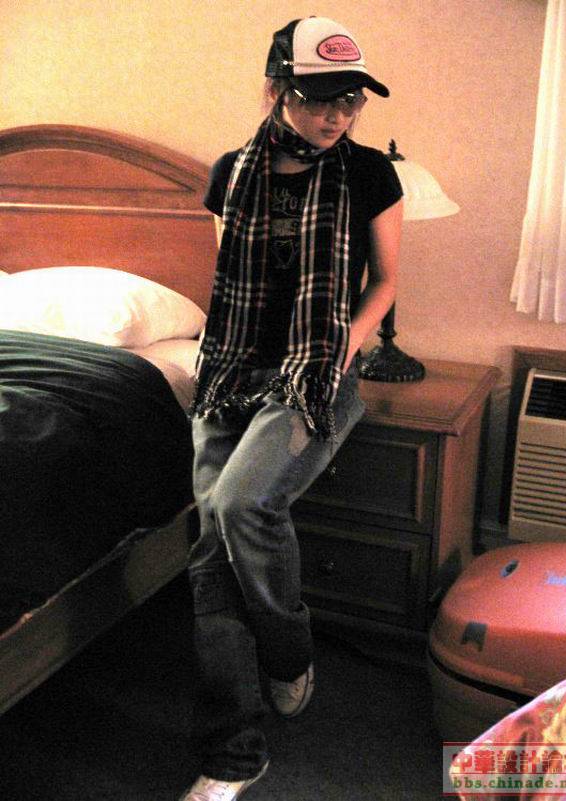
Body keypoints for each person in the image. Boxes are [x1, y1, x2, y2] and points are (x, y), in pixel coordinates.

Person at [181, 16, 403, 801]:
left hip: (318, 368)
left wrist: (345, 347)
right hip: (232, 369)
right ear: (277, 89)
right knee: (209, 550)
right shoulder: (229, 173)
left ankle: (286, 651)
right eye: (318, 99)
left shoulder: (370, 174)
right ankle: (232, 755)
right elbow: (232, 283)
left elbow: (384, 282)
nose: (337, 116)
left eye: (350, 101)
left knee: (240, 504)